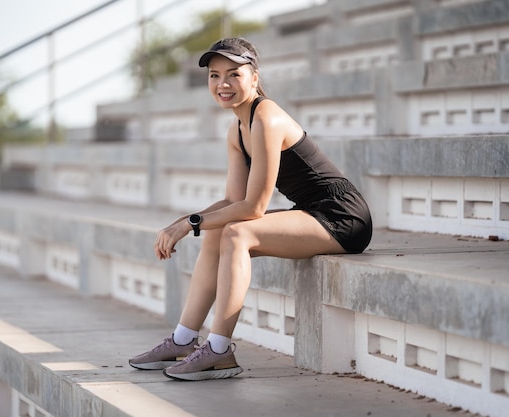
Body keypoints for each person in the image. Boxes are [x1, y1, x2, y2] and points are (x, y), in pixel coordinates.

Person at [129, 37, 372, 381]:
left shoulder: (267, 117)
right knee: (216, 229)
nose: (223, 84)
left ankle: (218, 350)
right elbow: (232, 201)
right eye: (214, 75)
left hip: (342, 216)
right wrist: (184, 221)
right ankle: (183, 339)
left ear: (254, 78)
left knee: (237, 232)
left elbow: (254, 207)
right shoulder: (237, 129)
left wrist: (190, 224)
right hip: (310, 212)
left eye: (233, 74)